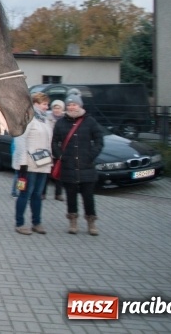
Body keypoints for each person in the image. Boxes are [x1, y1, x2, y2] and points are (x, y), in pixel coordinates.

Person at [51, 89, 104, 235]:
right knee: (71, 196)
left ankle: (91, 223)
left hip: (87, 166)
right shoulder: (61, 123)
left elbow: (99, 141)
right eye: (69, 105)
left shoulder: (90, 121)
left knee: (88, 197)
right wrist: (60, 156)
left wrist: (91, 155)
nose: (71, 107)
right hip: (68, 167)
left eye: (74, 104)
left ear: (80, 105)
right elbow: (54, 142)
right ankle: (73, 221)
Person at [12, 92, 53, 234]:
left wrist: (50, 161)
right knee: (25, 193)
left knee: (38, 194)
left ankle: (37, 222)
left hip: (43, 163)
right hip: (28, 164)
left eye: (47, 104)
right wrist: (22, 162)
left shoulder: (44, 120)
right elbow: (20, 140)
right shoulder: (27, 118)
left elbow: (48, 142)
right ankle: (20, 223)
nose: (47, 107)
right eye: (44, 104)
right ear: (35, 103)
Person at [42, 99, 65, 201]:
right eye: (55, 107)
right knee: (46, 173)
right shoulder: (47, 118)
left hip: (60, 149)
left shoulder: (65, 119)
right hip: (48, 149)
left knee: (59, 173)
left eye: (58, 108)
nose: (56, 110)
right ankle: (42, 193)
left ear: (62, 109)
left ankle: (58, 194)